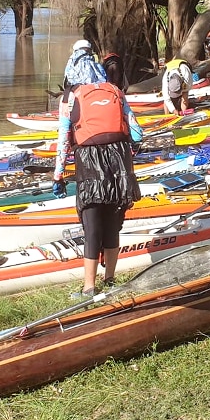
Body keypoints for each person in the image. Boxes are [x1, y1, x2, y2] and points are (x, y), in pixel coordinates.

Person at [53, 43, 143, 298]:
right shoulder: (115, 90)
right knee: (112, 224)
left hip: (90, 164)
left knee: (92, 227)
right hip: (119, 162)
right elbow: (137, 132)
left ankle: (88, 288)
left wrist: (58, 175)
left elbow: (63, 141)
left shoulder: (70, 97)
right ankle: (111, 280)